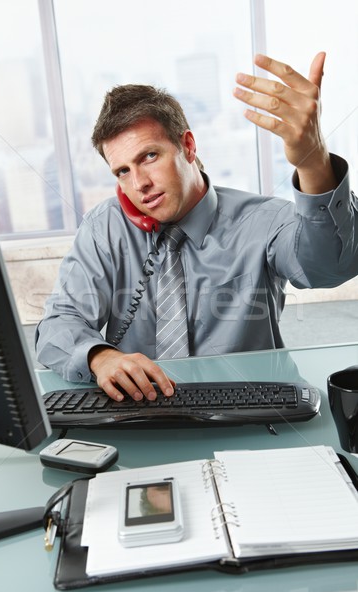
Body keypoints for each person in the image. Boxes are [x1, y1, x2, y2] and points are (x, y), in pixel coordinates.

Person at [36, 53, 358, 403]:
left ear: (187, 146)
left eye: (149, 156)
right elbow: (57, 325)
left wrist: (313, 163)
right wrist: (100, 357)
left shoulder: (263, 218)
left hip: (253, 411)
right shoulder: (104, 228)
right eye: (122, 171)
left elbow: (330, 267)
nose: (139, 183)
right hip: (142, 413)